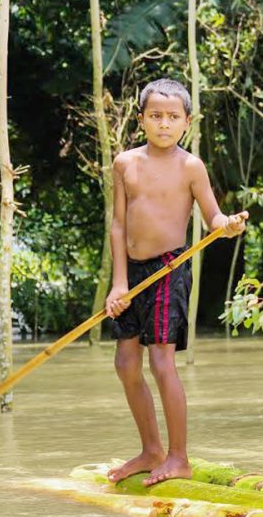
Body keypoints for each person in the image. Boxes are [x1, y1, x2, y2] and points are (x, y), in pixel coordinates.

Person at [104, 78, 247, 486]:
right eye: (155, 116)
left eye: (172, 117)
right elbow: (117, 225)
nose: (163, 124)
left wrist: (228, 225)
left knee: (161, 361)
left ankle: (179, 457)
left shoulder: (191, 166)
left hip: (169, 268)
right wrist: (118, 284)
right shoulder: (124, 163)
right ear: (142, 119)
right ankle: (151, 450)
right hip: (130, 271)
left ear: (187, 121)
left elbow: (212, 217)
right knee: (125, 363)